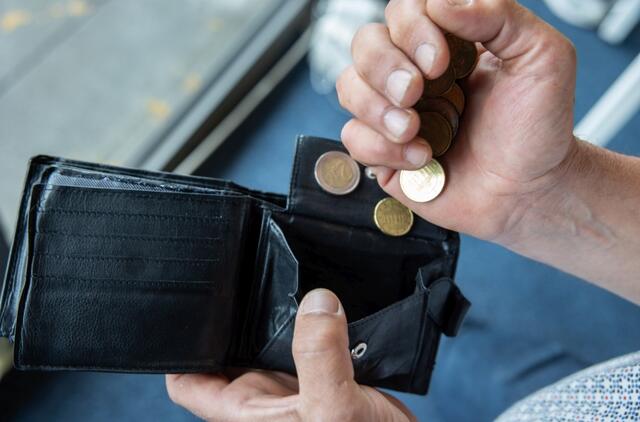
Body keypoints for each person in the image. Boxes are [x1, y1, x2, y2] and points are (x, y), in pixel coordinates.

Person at [165, 0, 640, 420]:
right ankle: (417, 331)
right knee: (462, 353)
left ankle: (415, 332)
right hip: (588, 392)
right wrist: (546, 191)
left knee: (459, 357)